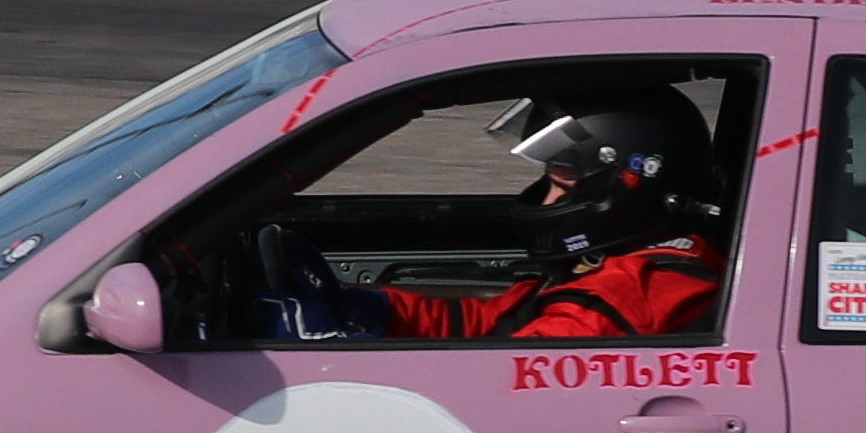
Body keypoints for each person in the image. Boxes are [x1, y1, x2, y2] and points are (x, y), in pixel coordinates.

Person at [268, 93, 721, 344]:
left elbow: (502, 381)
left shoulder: (634, 291)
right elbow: (484, 323)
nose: (544, 201)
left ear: (625, 187)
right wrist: (369, 310)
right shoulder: (608, 267)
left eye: (560, 186)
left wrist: (337, 353)